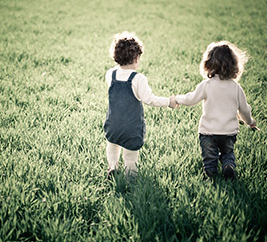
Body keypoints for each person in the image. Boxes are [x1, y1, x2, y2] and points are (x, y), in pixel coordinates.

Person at [172, 41, 258, 179]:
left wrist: (177, 99)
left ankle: (210, 172)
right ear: (234, 65)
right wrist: (250, 122)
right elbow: (244, 109)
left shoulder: (207, 85)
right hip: (229, 132)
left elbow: (191, 99)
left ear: (208, 64)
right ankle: (228, 165)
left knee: (209, 156)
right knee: (227, 153)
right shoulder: (236, 88)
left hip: (208, 132)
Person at [104, 31, 176, 179]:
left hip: (113, 123)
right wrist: (169, 101)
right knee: (130, 156)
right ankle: (130, 179)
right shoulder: (137, 79)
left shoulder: (110, 74)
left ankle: (112, 166)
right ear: (136, 58)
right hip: (131, 127)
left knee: (112, 144)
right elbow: (150, 99)